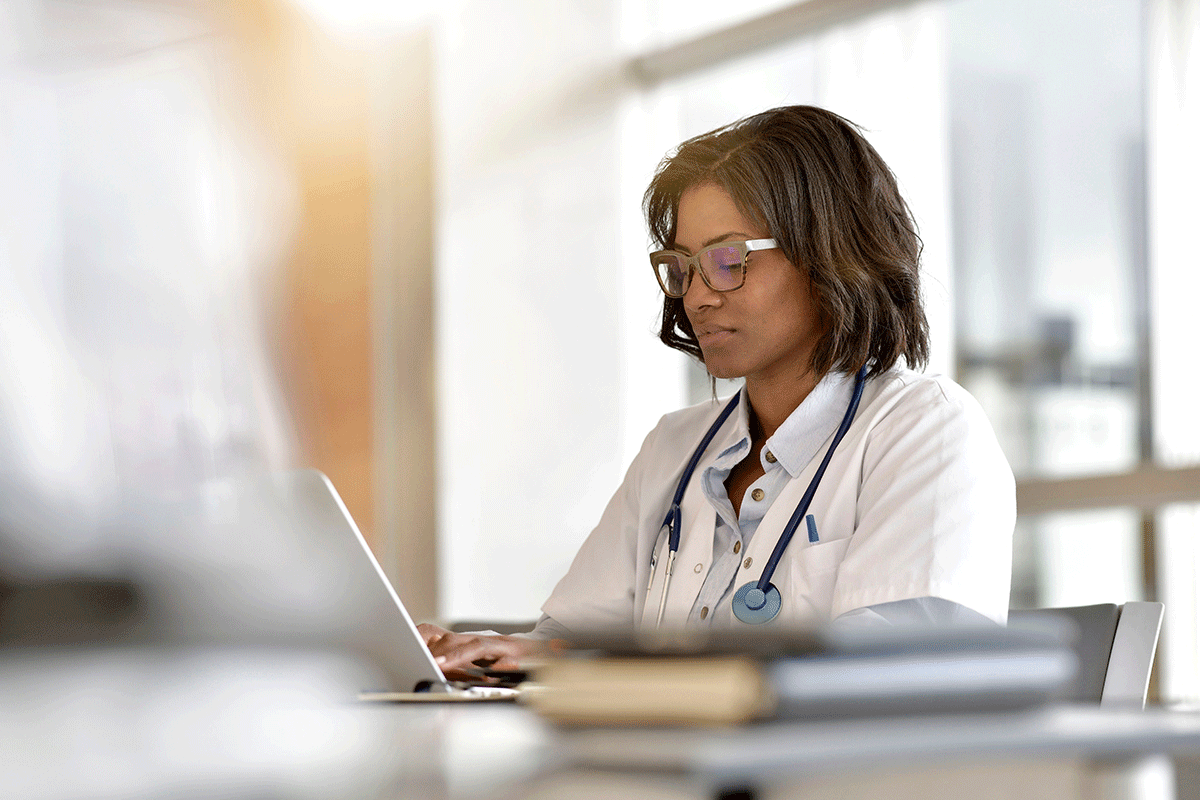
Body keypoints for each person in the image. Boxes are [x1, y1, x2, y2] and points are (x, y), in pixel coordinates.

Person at [419, 105, 1015, 678]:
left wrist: (608, 670)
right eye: (683, 267)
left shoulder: (925, 432)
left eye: (729, 260)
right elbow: (570, 639)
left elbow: (888, 675)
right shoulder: (673, 448)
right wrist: (497, 653)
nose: (696, 296)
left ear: (829, 253)